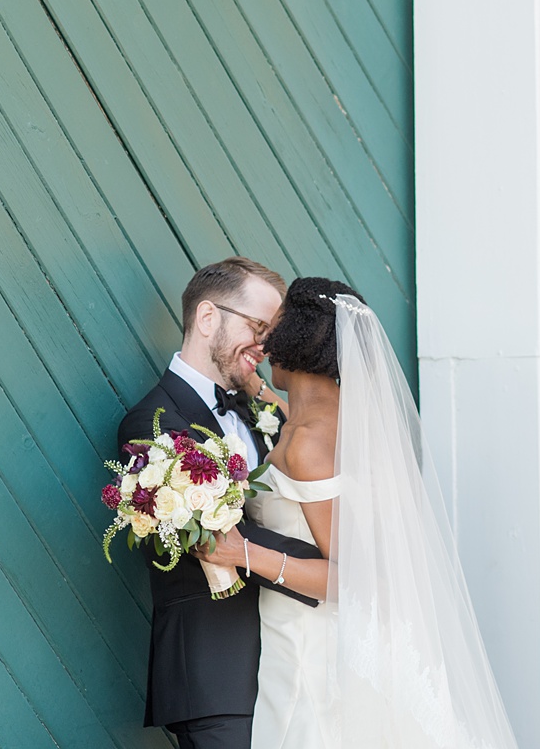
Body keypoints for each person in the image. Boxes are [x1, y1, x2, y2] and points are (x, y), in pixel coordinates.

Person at [201, 277, 519, 749]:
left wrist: (242, 552)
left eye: (275, 327)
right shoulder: (343, 419)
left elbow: (353, 578)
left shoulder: (309, 442)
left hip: (312, 646)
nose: (265, 341)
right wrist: (266, 396)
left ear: (291, 339)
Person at [116, 257, 323, 749]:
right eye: (258, 327)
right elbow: (220, 539)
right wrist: (332, 568)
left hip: (290, 659)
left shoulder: (260, 410)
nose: (265, 346)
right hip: (216, 672)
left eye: (270, 336)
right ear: (208, 318)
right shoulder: (150, 425)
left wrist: (259, 388)